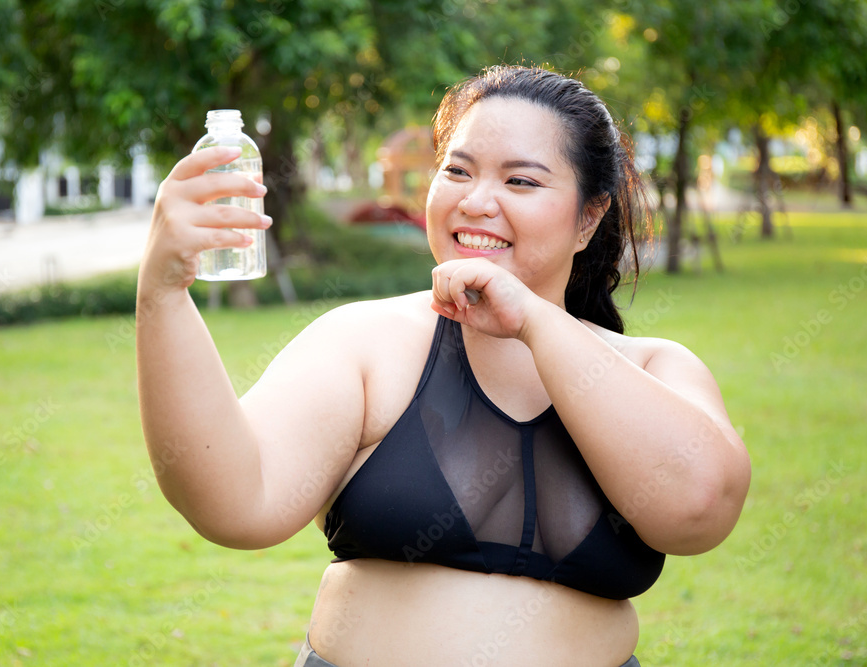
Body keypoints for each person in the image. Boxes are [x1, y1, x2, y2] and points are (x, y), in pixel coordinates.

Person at [136, 65, 751, 666]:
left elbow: (698, 510)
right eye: (457, 171)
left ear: (589, 217)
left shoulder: (654, 368)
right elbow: (235, 502)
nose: (476, 201)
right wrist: (161, 293)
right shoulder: (365, 343)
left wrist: (534, 322)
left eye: (522, 182)